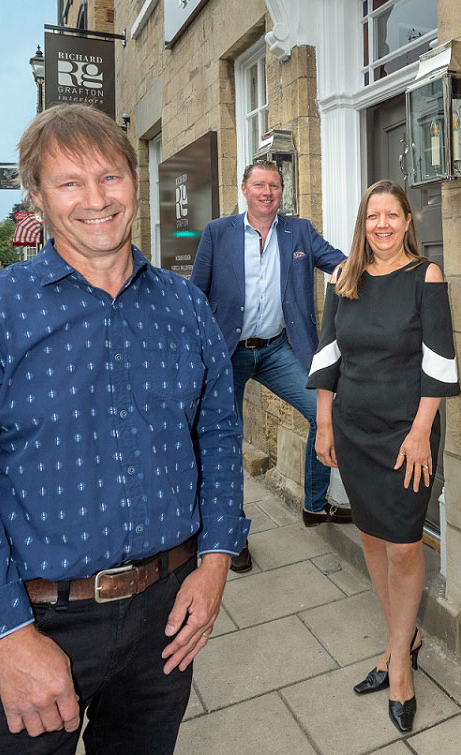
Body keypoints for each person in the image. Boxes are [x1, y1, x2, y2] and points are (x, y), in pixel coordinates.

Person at [0, 104, 249, 755]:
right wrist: (6, 638)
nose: (95, 199)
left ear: (134, 180)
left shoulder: (185, 306)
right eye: (69, 183)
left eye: (110, 176)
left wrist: (213, 566)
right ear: (37, 196)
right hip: (35, 620)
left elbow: (218, 437)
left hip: (166, 617)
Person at [307, 179, 459, 733]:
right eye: (374, 216)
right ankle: (404, 637)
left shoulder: (426, 277)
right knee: (372, 537)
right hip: (353, 431)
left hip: (405, 436)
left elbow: (439, 362)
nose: (383, 225)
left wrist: (421, 432)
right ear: (363, 223)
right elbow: (326, 357)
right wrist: (324, 424)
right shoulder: (343, 278)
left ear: (407, 222)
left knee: (402, 546)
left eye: (392, 215)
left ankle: (399, 664)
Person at [190, 160, 350, 573]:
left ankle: (315, 505)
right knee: (227, 442)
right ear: (244, 189)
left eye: (274, 185)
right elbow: (194, 296)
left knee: (323, 413)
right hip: (229, 354)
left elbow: (340, 264)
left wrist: (390, 268)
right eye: (259, 184)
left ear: (282, 191)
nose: (267, 191)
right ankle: (232, 536)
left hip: (281, 349)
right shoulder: (217, 233)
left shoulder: (298, 231)